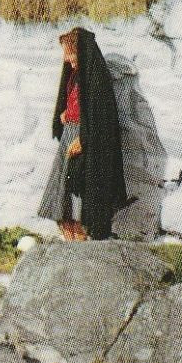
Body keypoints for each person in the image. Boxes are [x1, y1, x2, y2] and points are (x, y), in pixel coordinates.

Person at [37, 27, 129, 241]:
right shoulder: (76, 76)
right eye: (67, 57)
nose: (69, 62)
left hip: (84, 141)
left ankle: (82, 242)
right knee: (63, 195)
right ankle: (70, 241)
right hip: (70, 135)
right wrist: (64, 114)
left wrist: (84, 140)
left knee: (79, 192)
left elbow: (100, 118)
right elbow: (77, 103)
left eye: (72, 56)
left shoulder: (96, 79)